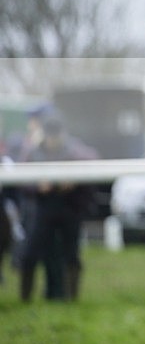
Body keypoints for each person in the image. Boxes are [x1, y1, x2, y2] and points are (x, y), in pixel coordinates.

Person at [19, 111, 97, 301]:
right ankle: (25, 298)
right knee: (30, 253)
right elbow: (21, 180)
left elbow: (93, 165)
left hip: (69, 206)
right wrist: (38, 186)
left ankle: (72, 298)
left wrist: (74, 181)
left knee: (71, 253)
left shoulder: (76, 151)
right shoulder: (33, 151)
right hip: (44, 207)